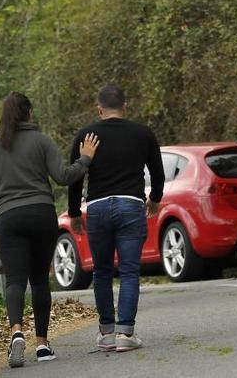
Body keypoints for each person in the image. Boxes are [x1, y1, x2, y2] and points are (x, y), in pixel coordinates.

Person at [0, 92, 100, 368]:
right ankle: (43, 345)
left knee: (15, 281)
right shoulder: (42, 141)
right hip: (41, 214)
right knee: (39, 280)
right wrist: (85, 159)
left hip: (8, 217)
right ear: (30, 114)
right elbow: (63, 176)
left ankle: (16, 332)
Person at [67, 84, 164, 353]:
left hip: (97, 208)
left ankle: (106, 333)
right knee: (130, 271)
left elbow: (75, 178)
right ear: (125, 106)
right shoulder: (142, 133)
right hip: (131, 205)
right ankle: (125, 334)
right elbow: (157, 172)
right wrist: (155, 198)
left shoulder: (86, 135)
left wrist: (74, 212)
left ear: (99, 109)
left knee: (101, 271)